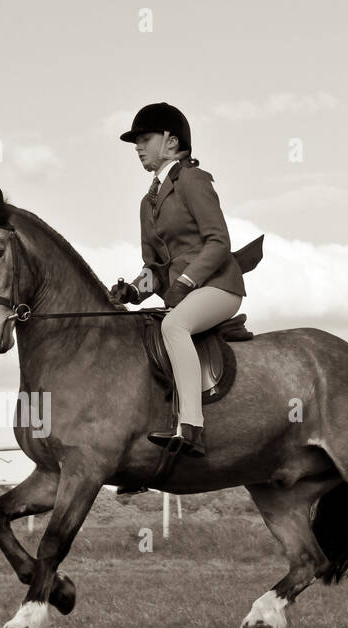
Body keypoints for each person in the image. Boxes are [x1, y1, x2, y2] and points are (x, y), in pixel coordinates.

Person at [109, 102, 246, 458]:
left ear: (170, 141)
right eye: (136, 141)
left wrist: (185, 281)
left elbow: (219, 242)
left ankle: (191, 427)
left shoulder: (193, 181)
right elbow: (153, 266)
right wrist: (134, 290)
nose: (138, 147)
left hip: (218, 286)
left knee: (173, 328)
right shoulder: (146, 201)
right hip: (183, 293)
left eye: (145, 138)